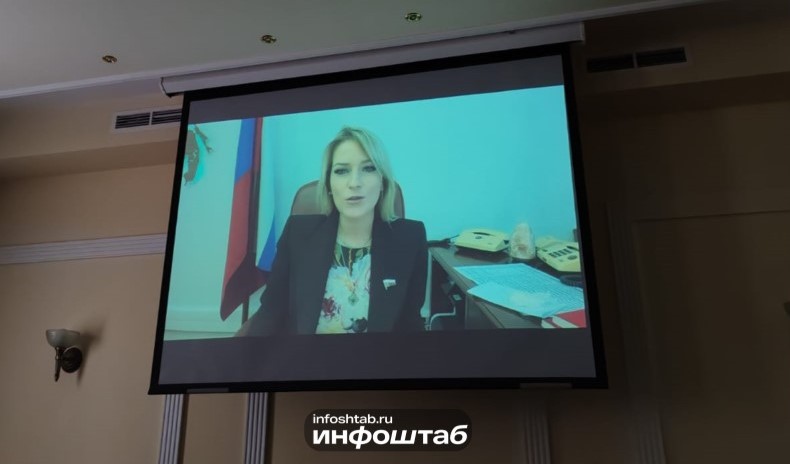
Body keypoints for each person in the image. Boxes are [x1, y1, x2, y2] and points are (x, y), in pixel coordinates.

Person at [243, 127, 427, 335]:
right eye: (341, 171)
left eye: (368, 168)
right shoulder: (297, 233)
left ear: (383, 181)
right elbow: (270, 312)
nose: (354, 183)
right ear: (329, 184)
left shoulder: (411, 239)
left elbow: (411, 322)